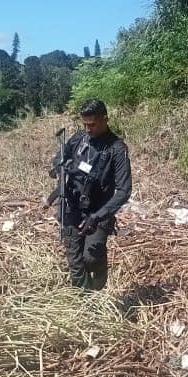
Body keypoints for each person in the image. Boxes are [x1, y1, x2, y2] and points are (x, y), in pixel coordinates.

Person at [48, 99, 132, 291]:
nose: (87, 129)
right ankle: (85, 302)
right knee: (76, 260)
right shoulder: (79, 138)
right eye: (84, 124)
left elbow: (124, 191)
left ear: (105, 120)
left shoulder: (117, 149)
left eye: (92, 124)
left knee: (90, 257)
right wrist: (57, 167)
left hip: (99, 210)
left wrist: (97, 217)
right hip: (71, 204)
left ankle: (99, 273)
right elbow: (61, 156)